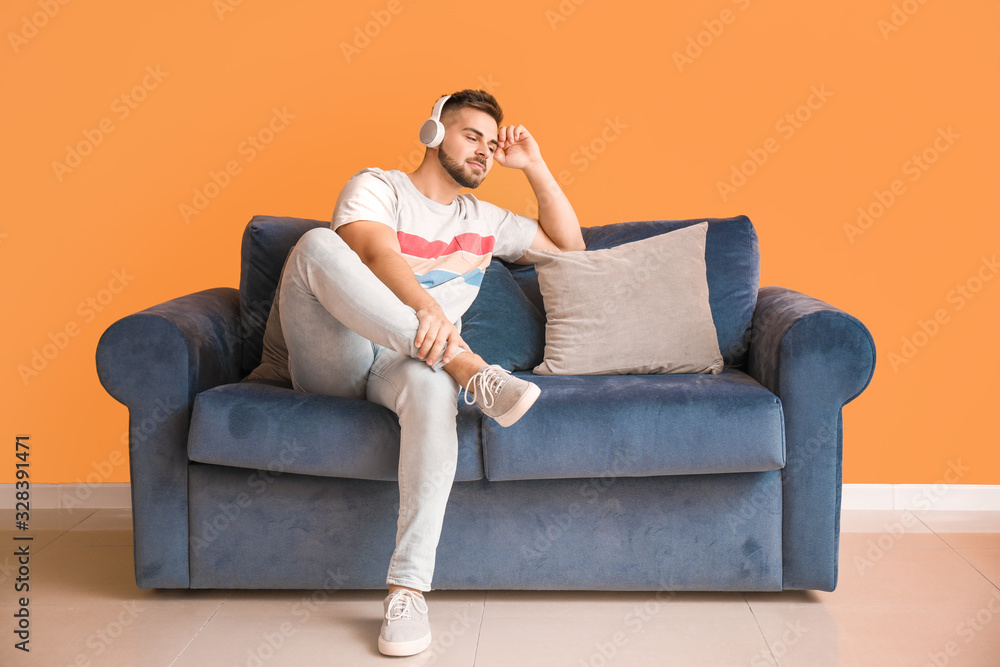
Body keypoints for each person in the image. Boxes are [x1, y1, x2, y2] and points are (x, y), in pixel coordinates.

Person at [248, 88, 583, 656]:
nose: (482, 151)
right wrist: (437, 323)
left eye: (490, 142)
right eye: (470, 135)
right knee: (314, 245)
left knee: (431, 388)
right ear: (433, 133)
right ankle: (471, 371)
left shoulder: (486, 220)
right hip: (340, 353)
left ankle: (407, 591)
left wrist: (535, 166)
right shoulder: (377, 187)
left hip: (411, 367)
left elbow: (572, 251)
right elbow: (374, 254)